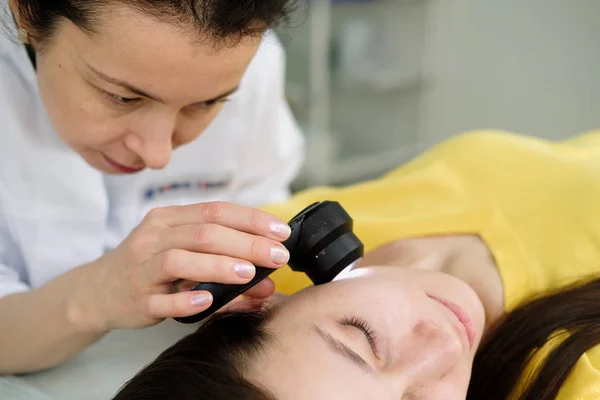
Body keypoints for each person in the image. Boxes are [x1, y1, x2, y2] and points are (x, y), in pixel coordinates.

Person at [112, 130, 600, 400]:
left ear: (249, 307)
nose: (443, 351)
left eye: (363, 337)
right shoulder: (574, 381)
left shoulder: (277, 243)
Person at [0, 0, 305, 375]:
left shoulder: (253, 60)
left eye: (206, 103)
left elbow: (263, 196)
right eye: (123, 97)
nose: (158, 155)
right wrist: (97, 295)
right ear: (24, 12)